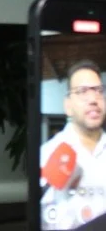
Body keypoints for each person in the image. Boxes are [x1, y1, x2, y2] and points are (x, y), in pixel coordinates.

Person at [40, 59, 106, 229]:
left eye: (99, 90)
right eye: (82, 91)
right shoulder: (46, 154)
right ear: (68, 105)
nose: (93, 99)